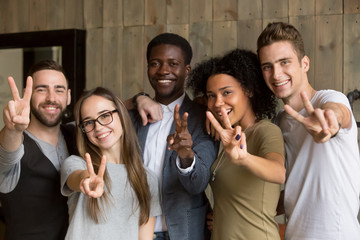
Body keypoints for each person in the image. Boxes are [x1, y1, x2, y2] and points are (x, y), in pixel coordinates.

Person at [257, 22, 360, 239]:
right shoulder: (278, 123)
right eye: (267, 66)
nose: (276, 74)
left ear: (305, 63)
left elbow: (338, 113)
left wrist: (329, 122)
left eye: (284, 62)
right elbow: (298, 190)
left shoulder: (329, 99)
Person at [187, 49, 286, 239]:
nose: (218, 103)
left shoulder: (264, 131)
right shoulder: (228, 138)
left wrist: (244, 159)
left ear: (248, 90)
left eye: (227, 92)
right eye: (211, 95)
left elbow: (278, 172)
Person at [128, 33, 218, 240]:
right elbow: (90, 111)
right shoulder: (133, 117)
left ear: (187, 70)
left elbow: (198, 184)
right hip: (136, 231)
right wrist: (137, 98)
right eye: (155, 63)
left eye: (173, 63)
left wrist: (186, 155)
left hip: (184, 232)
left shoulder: (202, 117)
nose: (163, 70)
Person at [60, 87, 161, 239]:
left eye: (105, 115)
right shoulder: (77, 164)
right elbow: (77, 178)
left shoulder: (147, 178)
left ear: (121, 115)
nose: (98, 127)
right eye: (88, 122)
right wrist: (86, 180)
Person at [0, 60, 76, 239]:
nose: (51, 98)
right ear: (29, 94)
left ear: (68, 96)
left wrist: (138, 100)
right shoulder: (14, 142)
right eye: (41, 89)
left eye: (59, 90)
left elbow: (107, 113)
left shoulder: (76, 133)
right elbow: (6, 155)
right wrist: (12, 129)